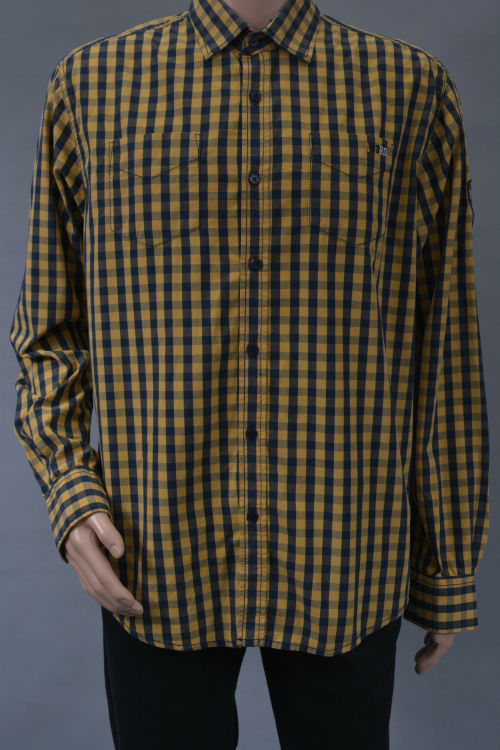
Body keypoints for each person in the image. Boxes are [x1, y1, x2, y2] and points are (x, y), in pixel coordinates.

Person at [9, 0, 489, 748]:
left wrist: (447, 565)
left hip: (345, 549)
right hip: (158, 553)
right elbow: (49, 328)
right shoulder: (91, 84)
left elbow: (445, 345)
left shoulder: (410, 87)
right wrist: (70, 491)